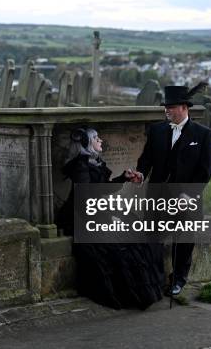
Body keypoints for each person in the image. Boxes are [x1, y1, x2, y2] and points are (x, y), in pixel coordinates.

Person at [58, 127, 164, 310]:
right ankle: (130, 294)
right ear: (87, 143)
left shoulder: (95, 162)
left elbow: (102, 188)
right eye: (96, 138)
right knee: (117, 247)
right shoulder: (81, 165)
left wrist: (123, 178)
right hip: (82, 216)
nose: (100, 140)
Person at [134, 83, 211, 296]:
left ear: (184, 107)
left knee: (185, 240)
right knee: (152, 237)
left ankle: (178, 279)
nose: (167, 110)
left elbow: (205, 171)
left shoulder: (203, 135)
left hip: (187, 198)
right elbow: (146, 160)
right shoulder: (157, 131)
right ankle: (154, 278)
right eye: (166, 107)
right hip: (158, 195)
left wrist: (189, 196)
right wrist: (140, 174)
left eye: (171, 106)